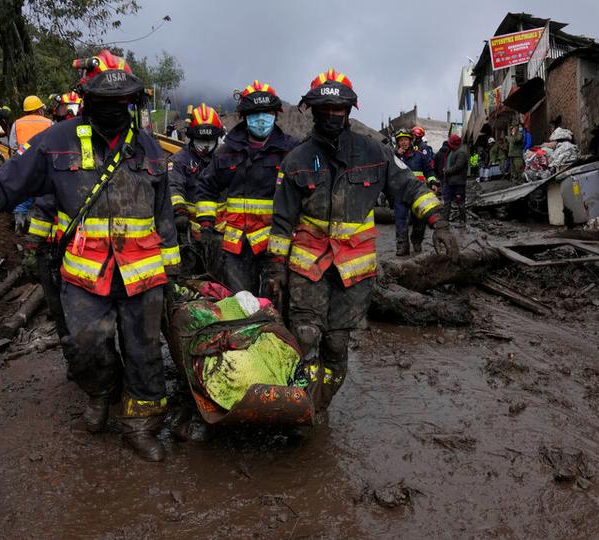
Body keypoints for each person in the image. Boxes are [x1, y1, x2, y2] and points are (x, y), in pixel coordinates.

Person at [0, 50, 180, 462]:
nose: (113, 109)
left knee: (145, 353)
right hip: (85, 274)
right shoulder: (56, 141)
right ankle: (102, 392)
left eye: (120, 101)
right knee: (86, 346)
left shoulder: (149, 148)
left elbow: (163, 213)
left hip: (143, 274)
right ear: (86, 99)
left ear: (132, 102)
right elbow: (7, 183)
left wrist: (173, 266)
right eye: (103, 101)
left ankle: (141, 426)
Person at [265, 68, 459, 416]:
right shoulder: (295, 161)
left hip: (352, 273)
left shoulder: (374, 152)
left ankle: (319, 404)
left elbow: (410, 186)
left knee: (337, 345)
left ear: (349, 111)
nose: (332, 117)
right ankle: (301, 408)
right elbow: (281, 221)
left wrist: (439, 223)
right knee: (306, 335)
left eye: (339, 110)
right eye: (325, 111)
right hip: (308, 267)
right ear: (313, 111)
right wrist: (275, 269)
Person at [195, 80, 298, 294]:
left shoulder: (290, 151)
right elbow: (206, 187)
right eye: (254, 113)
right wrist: (206, 225)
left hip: (275, 243)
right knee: (239, 301)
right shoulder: (226, 151)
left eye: (267, 113)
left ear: (275, 114)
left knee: (275, 300)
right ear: (244, 116)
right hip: (235, 244)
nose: (261, 119)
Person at [168, 103, 225, 276]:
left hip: (222, 233)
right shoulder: (179, 161)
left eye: (210, 141)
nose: (206, 146)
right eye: (201, 141)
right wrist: (179, 212)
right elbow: (173, 186)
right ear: (192, 138)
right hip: (189, 232)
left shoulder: (227, 160)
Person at [8, 96, 54, 232]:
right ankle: (33, 227)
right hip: (43, 162)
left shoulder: (17, 123)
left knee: (23, 192)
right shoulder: (49, 123)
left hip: (23, 161)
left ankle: (18, 224)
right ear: (39, 109)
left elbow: (12, 145)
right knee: (40, 194)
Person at [393, 128, 437, 256]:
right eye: (400, 140)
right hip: (400, 193)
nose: (403, 142)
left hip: (417, 194)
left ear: (411, 141)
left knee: (419, 220)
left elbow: (429, 171)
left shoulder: (420, 156)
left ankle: (416, 241)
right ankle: (402, 247)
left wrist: (433, 182)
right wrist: (396, 155)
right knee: (400, 219)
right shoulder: (394, 157)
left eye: (406, 139)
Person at [442, 134, 469, 226]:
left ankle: (463, 221)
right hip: (449, 182)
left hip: (458, 183)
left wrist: (446, 171)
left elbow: (458, 166)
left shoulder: (461, 152)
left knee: (460, 202)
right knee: (447, 201)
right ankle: (445, 220)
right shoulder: (452, 152)